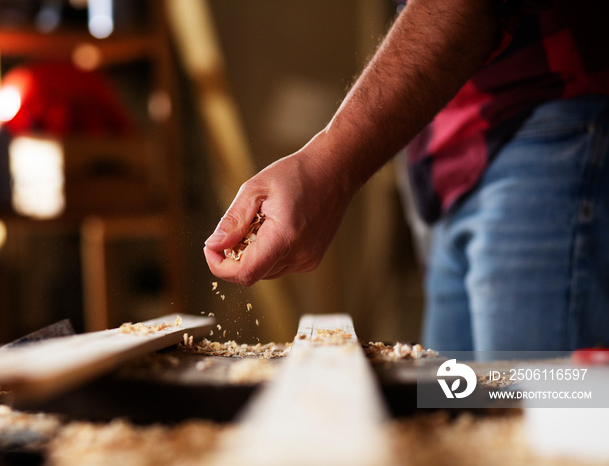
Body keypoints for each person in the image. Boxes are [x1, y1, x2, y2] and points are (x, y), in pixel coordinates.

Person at [203, 0, 609, 352]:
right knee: (455, 418)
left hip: (544, 128)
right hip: (448, 162)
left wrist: (328, 164)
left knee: (537, 421)